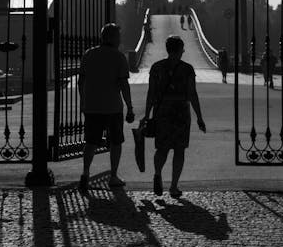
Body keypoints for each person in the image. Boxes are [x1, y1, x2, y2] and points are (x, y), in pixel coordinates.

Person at [144, 35, 206, 199]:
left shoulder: (156, 68)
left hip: (162, 111)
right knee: (179, 150)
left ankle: (158, 173)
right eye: (183, 48)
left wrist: (146, 114)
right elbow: (192, 94)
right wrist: (199, 117)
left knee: (162, 148)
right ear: (179, 50)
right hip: (180, 112)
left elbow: (151, 93)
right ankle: (173, 186)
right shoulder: (187, 69)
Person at [77, 23, 135, 194]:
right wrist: (130, 106)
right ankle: (114, 175)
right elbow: (124, 84)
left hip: (92, 106)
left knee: (91, 142)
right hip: (112, 106)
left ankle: (86, 172)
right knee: (116, 142)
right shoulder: (118, 57)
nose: (120, 40)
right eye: (118, 37)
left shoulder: (89, 54)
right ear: (112, 38)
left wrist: (84, 100)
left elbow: (81, 81)